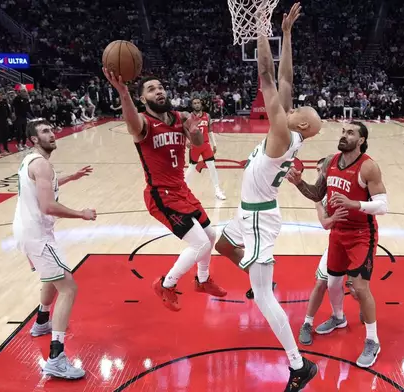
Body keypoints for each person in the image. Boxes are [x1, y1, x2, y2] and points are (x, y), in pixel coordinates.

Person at [213, 4, 323, 390]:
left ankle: (298, 366)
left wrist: (262, 26)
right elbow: (286, 78)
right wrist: (287, 33)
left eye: (301, 109)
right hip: (249, 212)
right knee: (220, 241)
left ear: (303, 124)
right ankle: (252, 270)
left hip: (259, 217)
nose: (294, 103)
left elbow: (266, 75)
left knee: (261, 297)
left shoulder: (281, 134)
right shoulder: (289, 130)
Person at [102, 68, 227, 312]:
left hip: (181, 189)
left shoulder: (179, 117)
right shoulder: (143, 124)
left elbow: (199, 144)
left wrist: (194, 133)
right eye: (151, 89)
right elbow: (130, 121)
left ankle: (202, 281)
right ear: (143, 99)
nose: (158, 91)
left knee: (211, 236)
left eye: (160, 87)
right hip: (161, 195)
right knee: (200, 243)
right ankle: (166, 284)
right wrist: (123, 93)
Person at [287, 121, 388, 368]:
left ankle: (373, 340)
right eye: (343, 132)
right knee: (332, 282)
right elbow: (316, 194)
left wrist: (355, 204)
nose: (344, 135)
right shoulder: (331, 162)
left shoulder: (368, 167)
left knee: (360, 288)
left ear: (361, 140)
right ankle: (338, 318)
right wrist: (299, 183)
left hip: (362, 234)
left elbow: (383, 206)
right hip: (338, 233)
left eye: (350, 133)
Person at [12, 119, 96, 379]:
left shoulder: (32, 161)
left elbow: (45, 186)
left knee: (51, 276)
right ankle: (56, 358)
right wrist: (81, 214)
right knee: (69, 287)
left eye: (51, 129)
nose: (52, 134)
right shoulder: (41, 164)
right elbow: (48, 205)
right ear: (34, 139)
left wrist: (72, 176)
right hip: (37, 233)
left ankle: (41, 322)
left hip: (28, 230)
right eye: (45, 131)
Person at [293, 157, 357, 346]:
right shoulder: (320, 197)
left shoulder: (348, 188)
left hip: (356, 242)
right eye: (318, 171)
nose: (320, 174)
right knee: (321, 282)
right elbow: (325, 224)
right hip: (336, 242)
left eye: (322, 170)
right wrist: (334, 217)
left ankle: (363, 314)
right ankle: (308, 323)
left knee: (356, 289)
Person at [184, 98, 226, 200]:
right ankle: (183, 189)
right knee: (191, 168)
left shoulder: (207, 116)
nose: (197, 105)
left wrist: (214, 144)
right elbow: (184, 130)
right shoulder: (189, 117)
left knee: (212, 167)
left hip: (206, 145)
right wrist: (187, 141)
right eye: (194, 103)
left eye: (198, 103)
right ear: (192, 105)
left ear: (201, 104)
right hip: (195, 145)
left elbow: (210, 130)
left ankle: (217, 190)